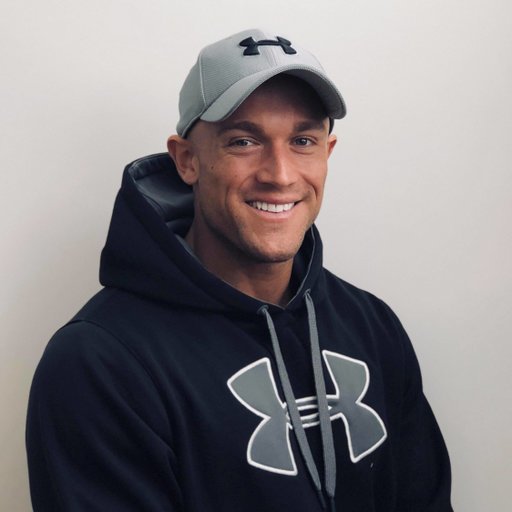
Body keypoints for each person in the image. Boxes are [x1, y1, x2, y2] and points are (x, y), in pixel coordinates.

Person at [26, 28, 453, 511]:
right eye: (244, 141)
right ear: (187, 160)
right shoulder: (99, 362)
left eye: (303, 140)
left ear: (327, 153)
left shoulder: (371, 325)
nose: (280, 174)